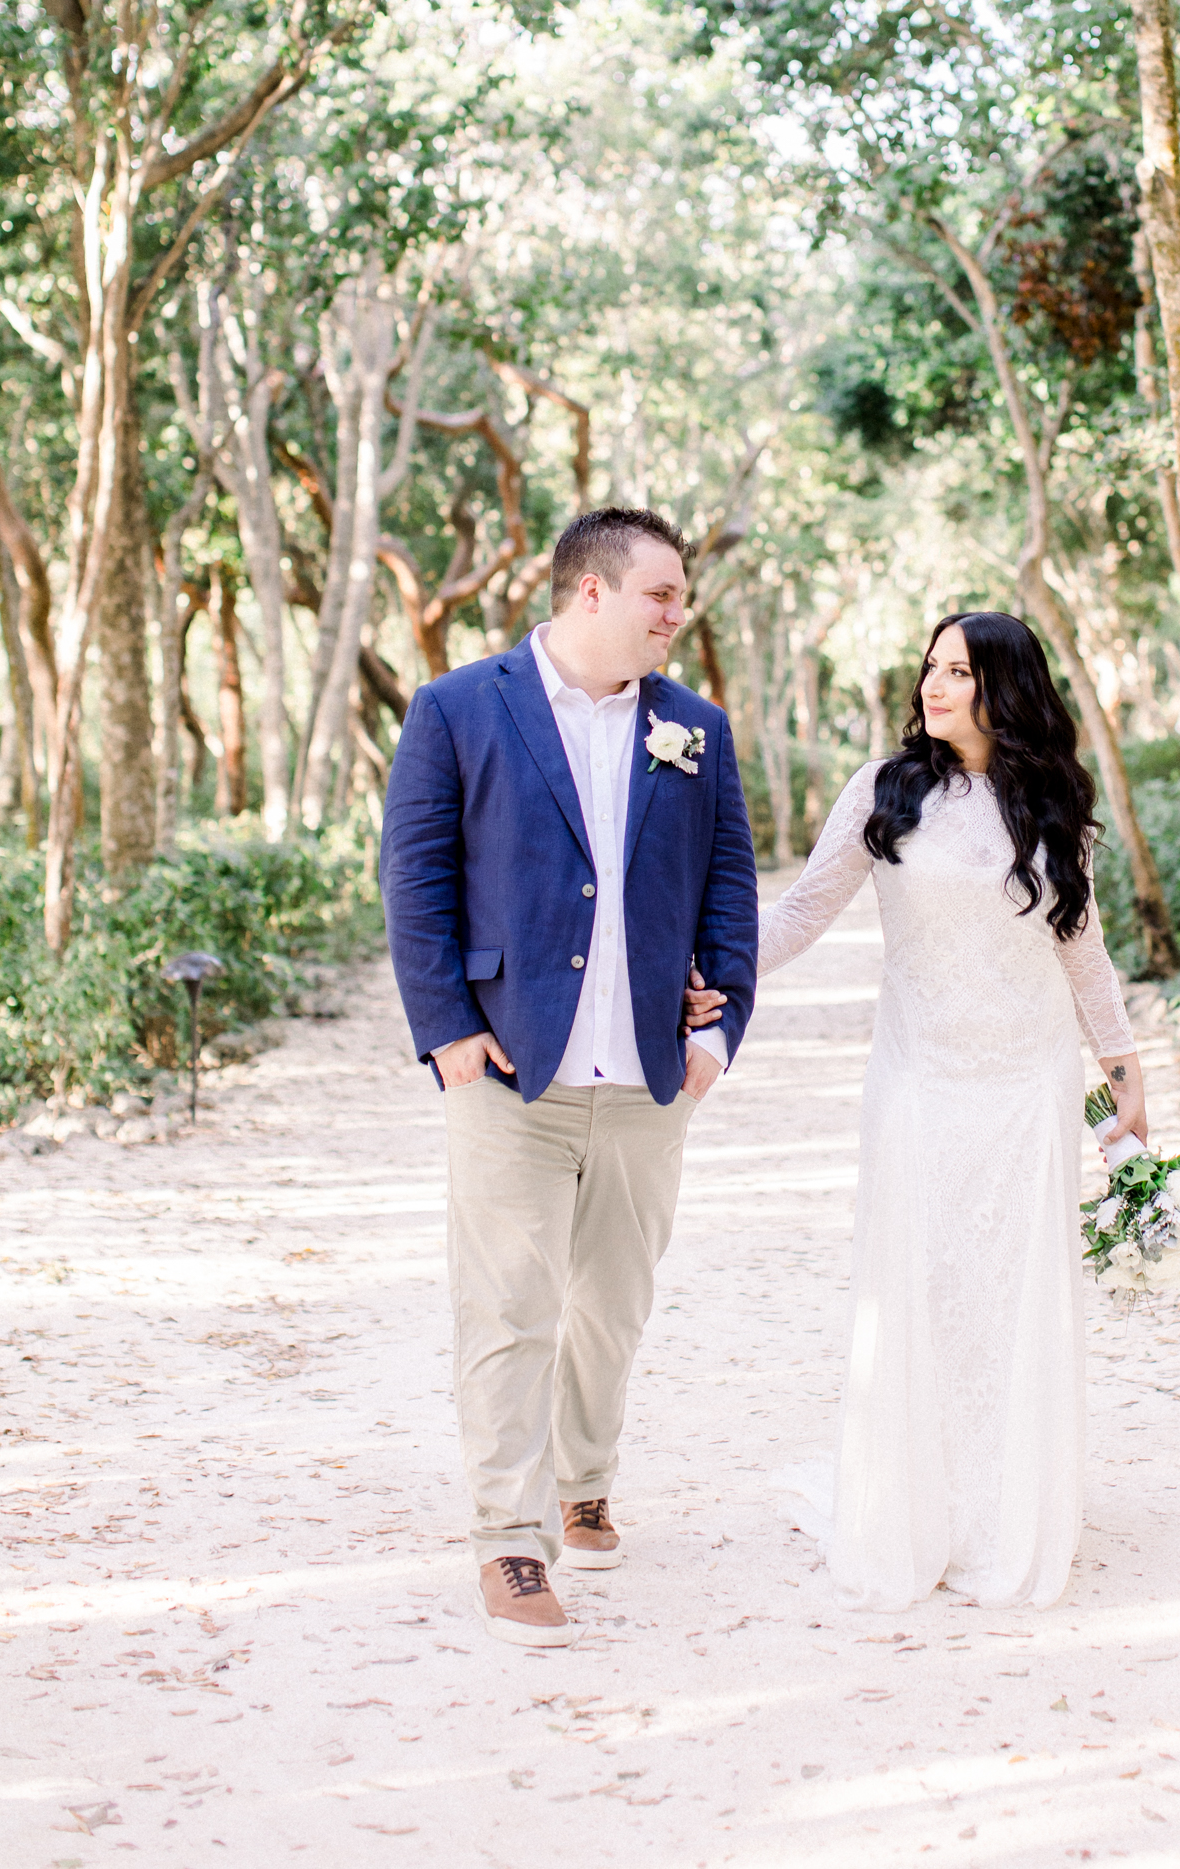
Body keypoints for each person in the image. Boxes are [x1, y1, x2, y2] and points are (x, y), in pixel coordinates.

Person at [699, 609, 1147, 1612]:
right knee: (922, 1278)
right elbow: (805, 908)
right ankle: (915, 1501)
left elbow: (1079, 943)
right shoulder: (885, 789)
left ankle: (999, 1507)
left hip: (1026, 1080)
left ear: (1006, 687)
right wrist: (713, 973)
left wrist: (1118, 1059)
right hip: (918, 1075)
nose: (932, 686)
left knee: (1005, 1288)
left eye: (957, 670)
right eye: (929, 667)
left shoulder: (1050, 803)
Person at [380, 507, 758, 1647]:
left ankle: (584, 1475)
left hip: (647, 1075)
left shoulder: (696, 728)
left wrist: (718, 1029)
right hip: (506, 1068)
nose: (674, 616)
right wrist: (446, 1030)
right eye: (659, 596)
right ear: (588, 593)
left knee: (612, 1303)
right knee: (507, 1306)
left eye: (677, 598)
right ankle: (510, 1540)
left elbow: (728, 883)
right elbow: (413, 874)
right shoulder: (457, 708)